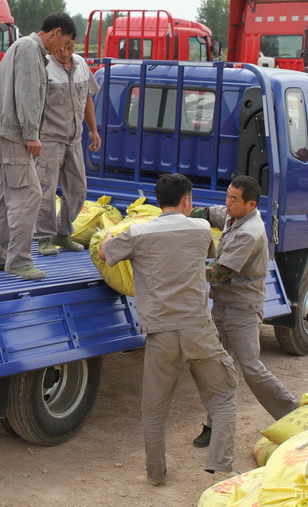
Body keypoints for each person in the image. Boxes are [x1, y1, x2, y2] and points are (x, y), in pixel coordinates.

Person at [99, 174, 238, 485]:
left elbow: (106, 254)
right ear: (187, 200)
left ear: (157, 201)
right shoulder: (202, 228)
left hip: (161, 334)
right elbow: (212, 256)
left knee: (154, 410)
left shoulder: (138, 232)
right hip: (199, 330)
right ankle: (222, 467)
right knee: (223, 397)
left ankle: (156, 473)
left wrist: (108, 237)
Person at [189, 175, 299, 449]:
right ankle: (213, 425)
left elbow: (221, 272)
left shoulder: (251, 233)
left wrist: (182, 268)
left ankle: (294, 416)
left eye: (233, 199)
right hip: (222, 307)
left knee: (251, 368)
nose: (227, 203)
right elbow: (208, 213)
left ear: (250, 204)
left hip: (242, 311)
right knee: (215, 368)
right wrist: (180, 214)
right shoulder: (231, 215)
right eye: (227, 196)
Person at [0, 13, 77, 280]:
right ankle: (18, 261)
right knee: (29, 193)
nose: (63, 50)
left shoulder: (25, 48)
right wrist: (32, 135)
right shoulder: (30, 49)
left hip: (5, 130)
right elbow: (27, 93)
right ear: (56, 32)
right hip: (13, 133)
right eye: (64, 42)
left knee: (6, 196)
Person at [34, 37, 101, 256]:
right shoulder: (44, 67)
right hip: (49, 139)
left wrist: (93, 130)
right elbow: (33, 104)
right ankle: (43, 237)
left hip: (74, 139)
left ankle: (63, 233)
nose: (64, 53)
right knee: (46, 189)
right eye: (60, 49)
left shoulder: (81, 65)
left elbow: (88, 98)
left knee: (78, 189)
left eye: (70, 48)